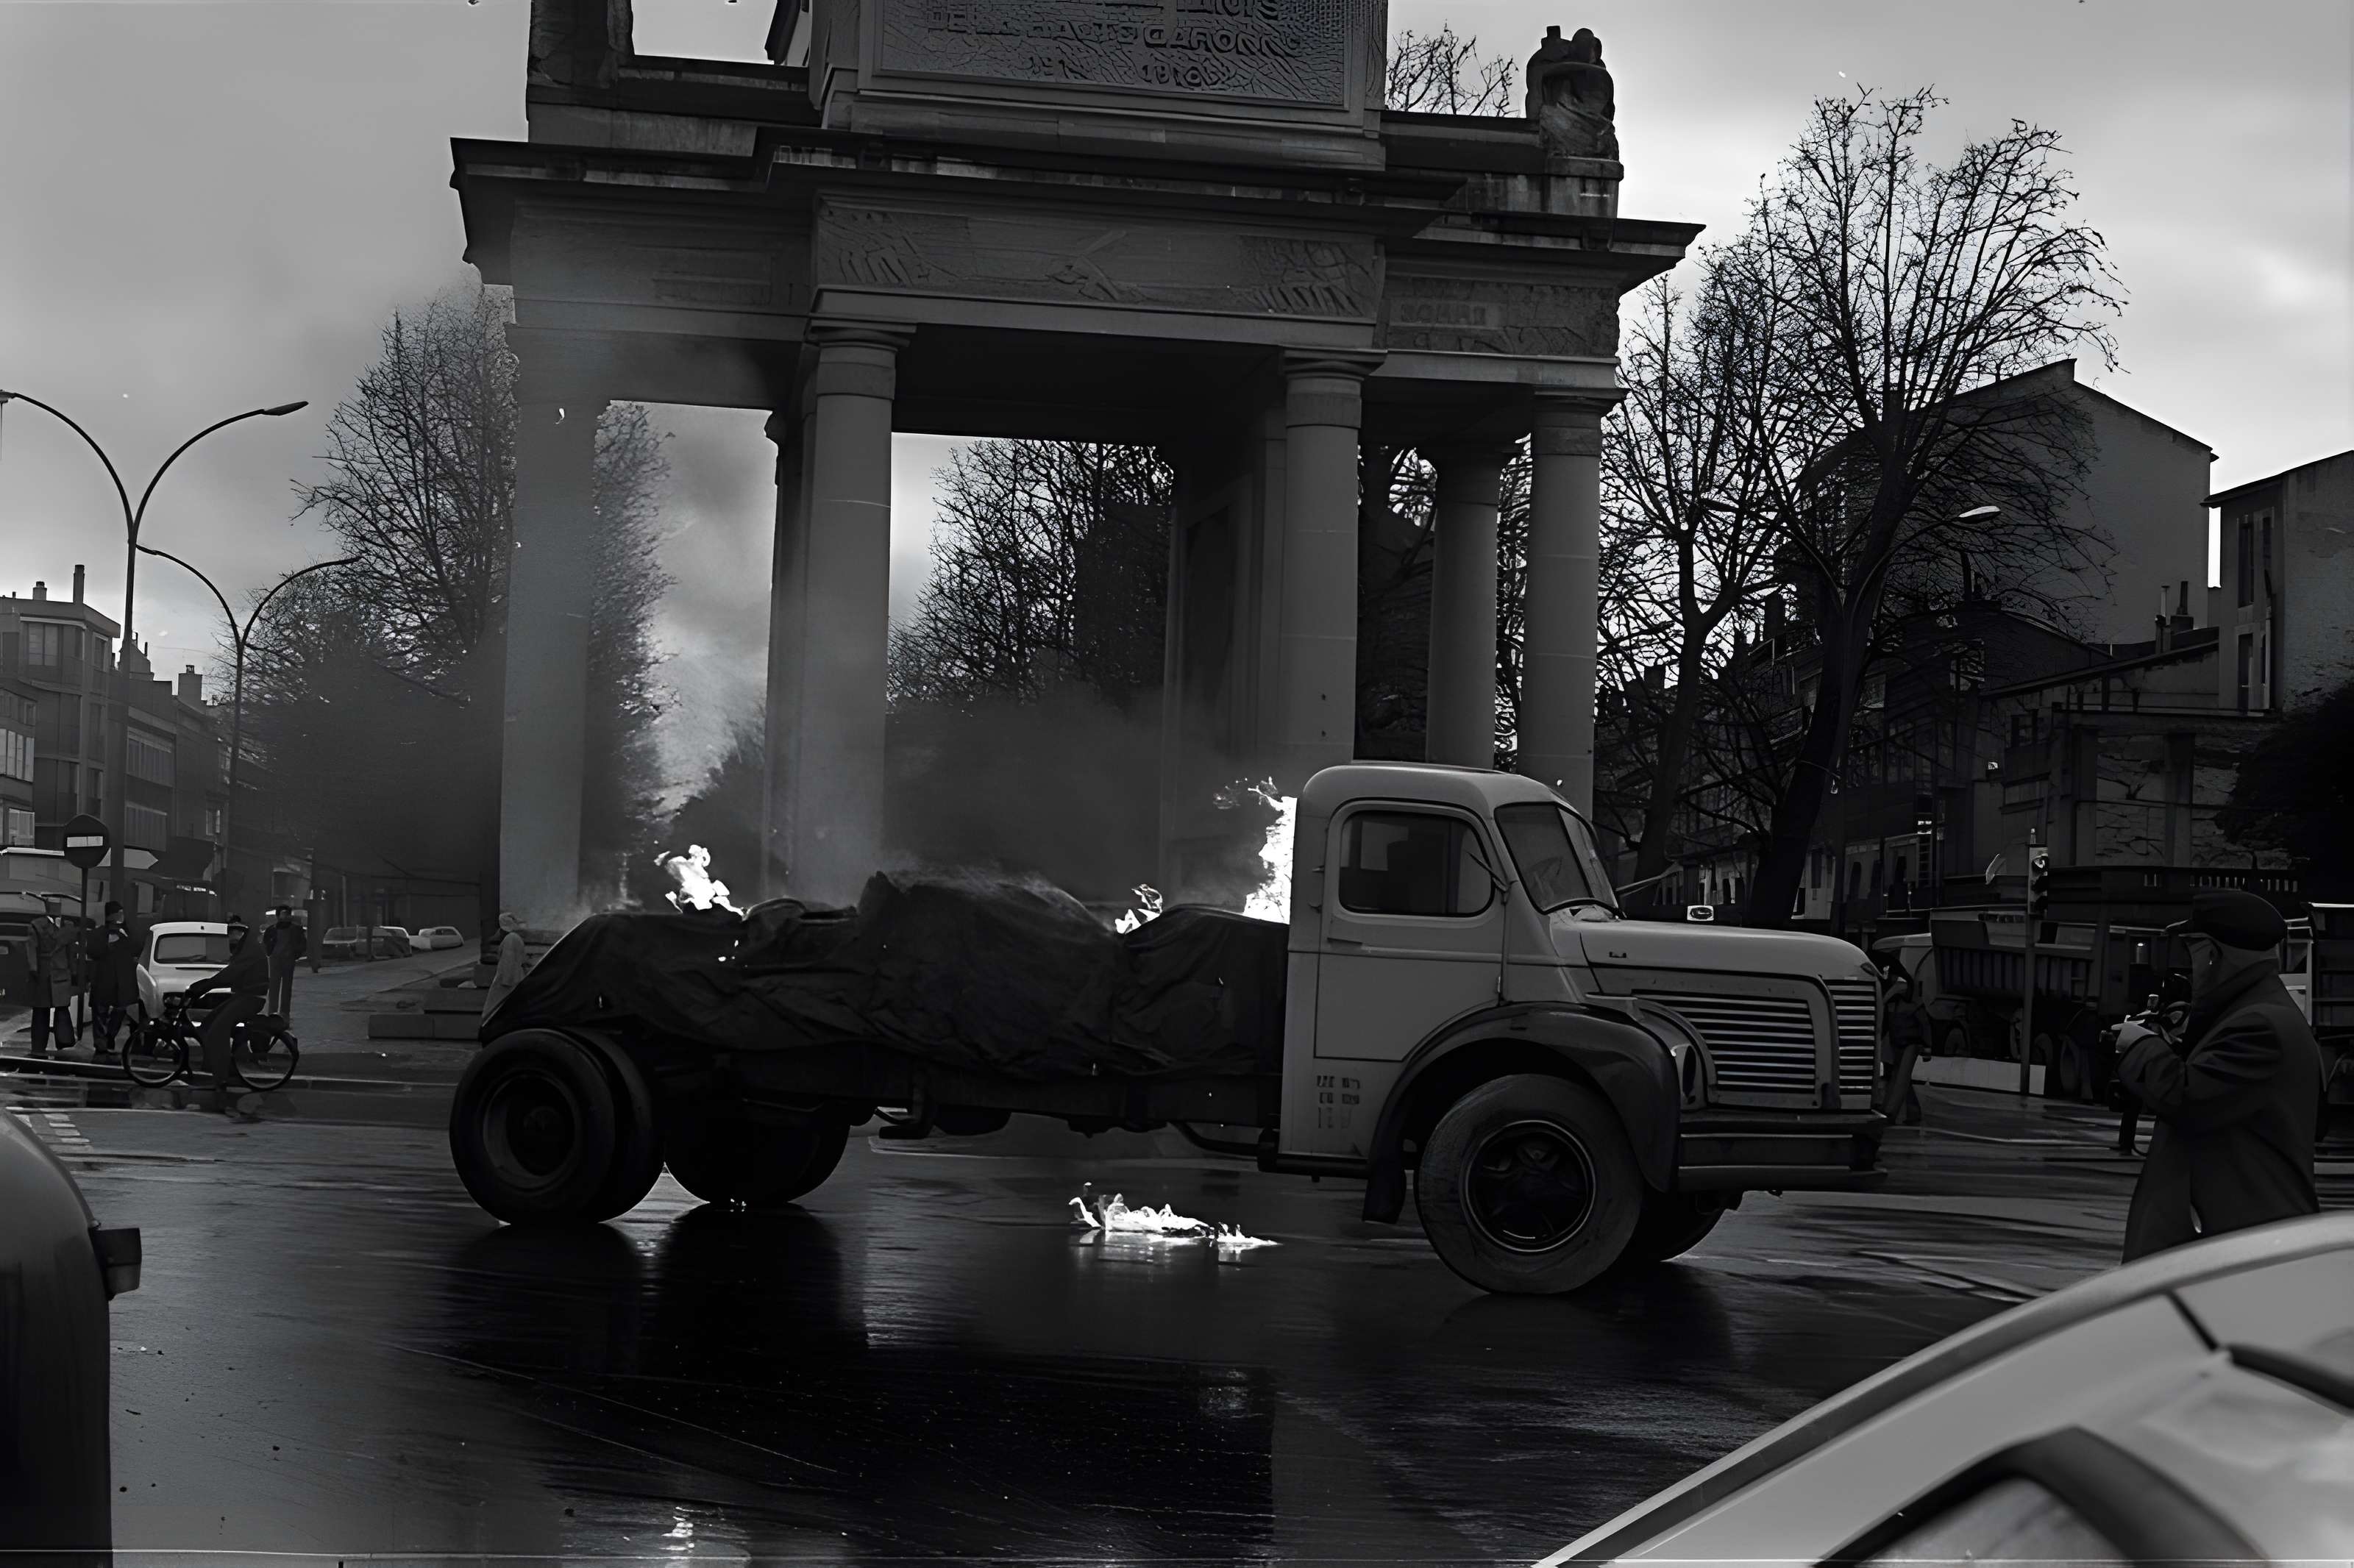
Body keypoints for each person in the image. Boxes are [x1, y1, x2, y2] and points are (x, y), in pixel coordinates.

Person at [2114, 888, 2322, 1263]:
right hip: (2234, 1242)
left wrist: (2138, 1045)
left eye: (2192, 951)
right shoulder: (2258, 1011)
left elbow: (2188, 1097)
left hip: (2235, 1247)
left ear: (2212, 954)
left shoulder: (2258, 1025)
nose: (2190, 968)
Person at [184, 913, 269, 1094]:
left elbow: (229, 975)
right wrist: (203, 985)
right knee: (207, 1024)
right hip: (242, 996)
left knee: (218, 1030)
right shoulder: (243, 949)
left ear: (243, 933)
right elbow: (229, 973)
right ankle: (221, 1066)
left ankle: (221, 1078)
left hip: (252, 998)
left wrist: (203, 987)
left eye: (235, 932)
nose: (231, 936)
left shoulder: (250, 950)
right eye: (230, 932)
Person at [25, 897, 82, 1059]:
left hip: (53, 974)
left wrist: (74, 972)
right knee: (50, 1012)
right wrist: (74, 973)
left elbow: (71, 952)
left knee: (52, 1012)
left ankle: (52, 1046)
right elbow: (32, 949)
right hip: (51, 974)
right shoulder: (42, 926)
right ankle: (52, 1047)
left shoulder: (42, 926)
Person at [84, 901, 139, 1058]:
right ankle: (101, 1043)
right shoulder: (97, 934)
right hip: (103, 978)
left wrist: (125, 936)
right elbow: (92, 952)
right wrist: (108, 944)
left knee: (120, 1010)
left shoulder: (126, 934)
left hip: (121, 980)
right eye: (118, 914)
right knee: (100, 1011)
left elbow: (136, 949)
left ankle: (109, 1037)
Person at [1880, 962, 1927, 1126]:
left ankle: (1890, 1113)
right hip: (1901, 1042)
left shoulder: (1901, 997)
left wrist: (1928, 1047)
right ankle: (1913, 1112)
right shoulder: (1901, 999)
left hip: (1909, 1043)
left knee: (1899, 1079)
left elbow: (1924, 1025)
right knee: (1902, 1079)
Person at [264, 906, 307, 1021]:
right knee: (274, 987)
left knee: (287, 988)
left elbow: (303, 944)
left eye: (287, 914)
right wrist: (270, 952)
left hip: (289, 960)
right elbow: (266, 942)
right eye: (283, 914)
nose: (286, 917)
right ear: (278, 916)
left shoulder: (296, 929)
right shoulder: (271, 930)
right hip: (274, 960)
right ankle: (272, 1013)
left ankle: (284, 1014)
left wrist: (295, 954)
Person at [482, 911, 527, 1022]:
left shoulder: (510, 939)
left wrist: (505, 982)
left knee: (493, 1013)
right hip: (514, 980)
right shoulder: (514, 938)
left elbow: (508, 962)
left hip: (508, 983)